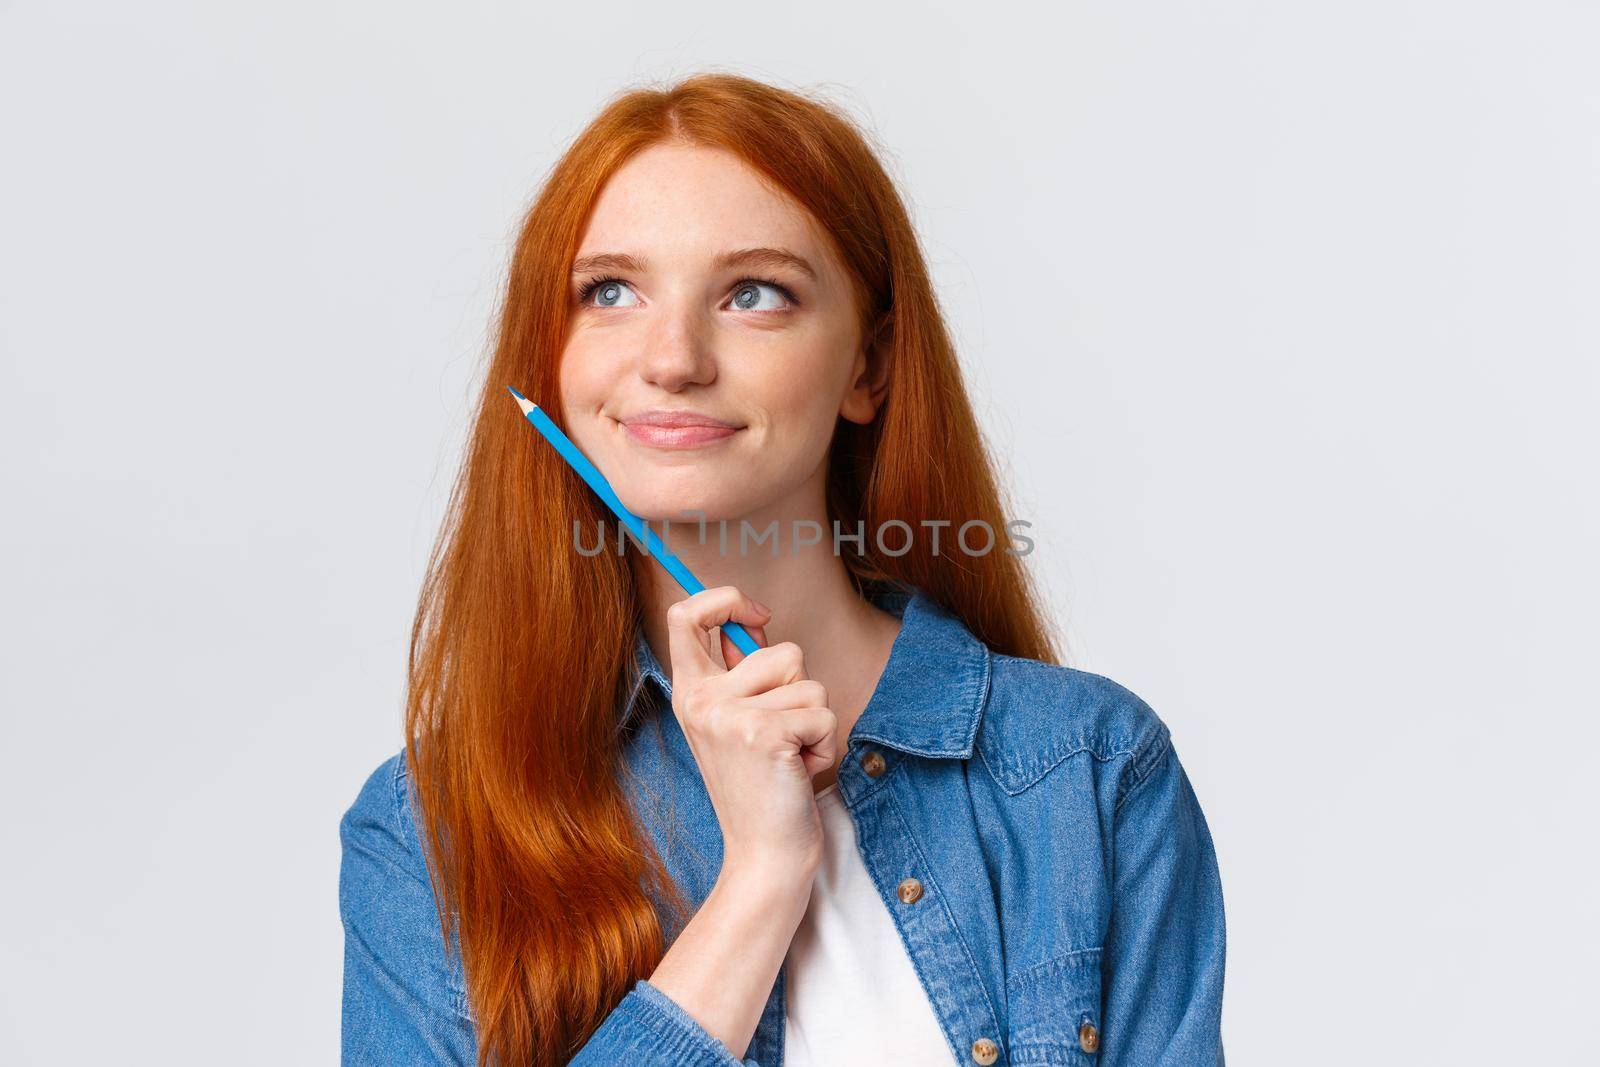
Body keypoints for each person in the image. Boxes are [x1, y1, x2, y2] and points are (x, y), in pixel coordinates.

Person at [338, 71, 1226, 1067]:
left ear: (868, 368)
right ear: (551, 359)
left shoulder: (1086, 771)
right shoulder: (433, 832)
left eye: (752, 293)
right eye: (610, 292)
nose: (672, 357)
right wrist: (760, 876)